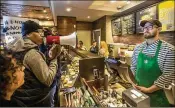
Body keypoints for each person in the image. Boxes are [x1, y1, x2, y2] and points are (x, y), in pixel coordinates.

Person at [12, 20, 60, 107]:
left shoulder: (19, 48)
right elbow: (48, 80)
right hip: (38, 98)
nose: (42, 35)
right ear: (28, 34)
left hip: (26, 96)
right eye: (39, 32)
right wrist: (54, 58)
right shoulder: (31, 53)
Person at [131, 19, 175, 107]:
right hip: (139, 92)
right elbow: (133, 66)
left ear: (159, 29)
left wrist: (149, 90)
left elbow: (168, 75)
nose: (146, 29)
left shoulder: (169, 50)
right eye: (144, 27)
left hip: (158, 96)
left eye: (150, 27)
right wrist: (138, 83)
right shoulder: (138, 48)